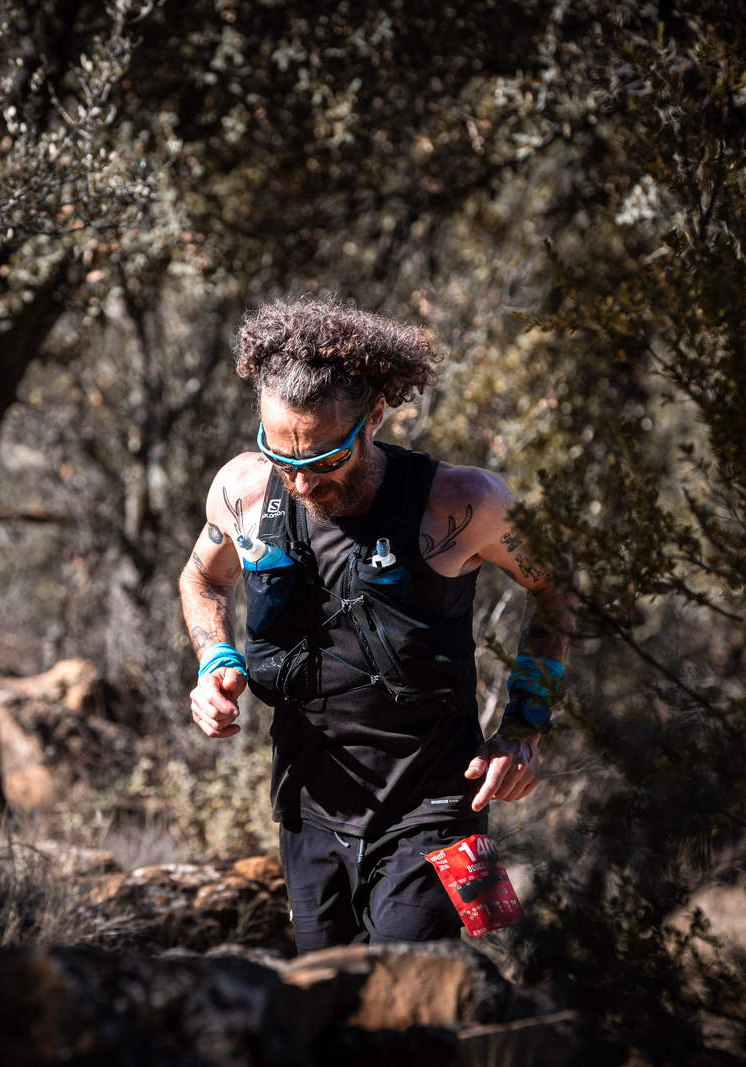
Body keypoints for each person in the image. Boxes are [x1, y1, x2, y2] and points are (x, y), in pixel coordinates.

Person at [179, 298, 570, 951]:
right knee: (325, 996)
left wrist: (525, 727)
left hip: (438, 809)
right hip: (308, 809)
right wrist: (214, 660)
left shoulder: (462, 503)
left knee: (411, 991)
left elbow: (556, 586)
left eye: (325, 459)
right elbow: (202, 577)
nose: (302, 483)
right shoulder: (242, 491)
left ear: (375, 418)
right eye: (283, 457)